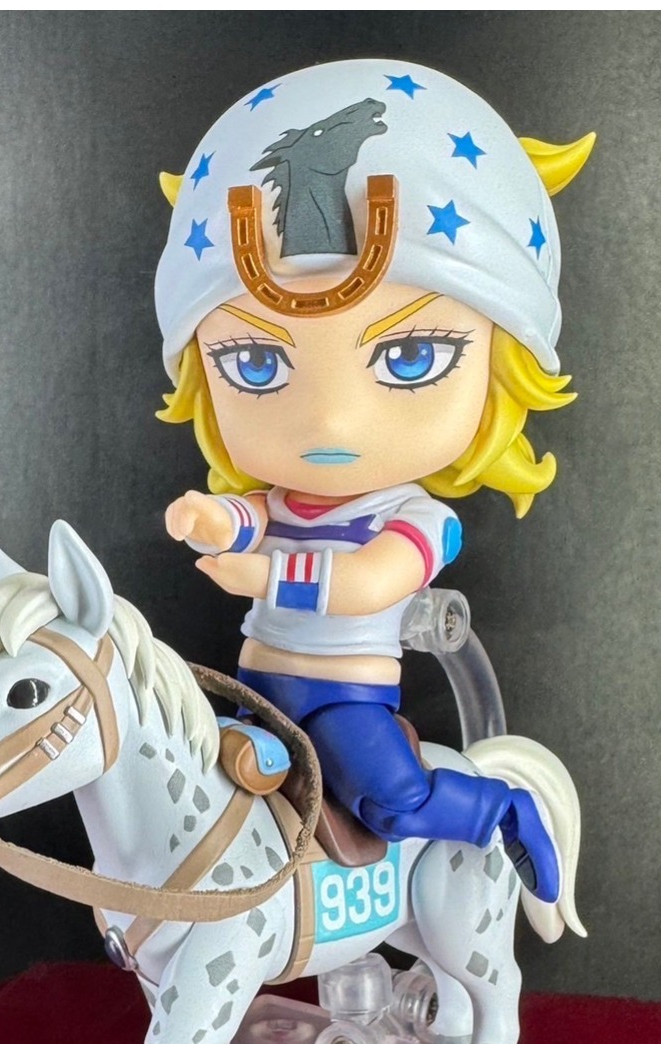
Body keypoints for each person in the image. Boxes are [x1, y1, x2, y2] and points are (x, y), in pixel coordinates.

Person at [150, 58, 593, 900]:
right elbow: (250, 518)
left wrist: (264, 576)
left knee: (393, 803)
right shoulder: (283, 499)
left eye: (410, 356)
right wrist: (209, 520)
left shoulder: (422, 519)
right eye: (254, 363)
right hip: (254, 689)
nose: (331, 422)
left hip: (345, 700)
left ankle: (499, 812)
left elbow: (366, 583)